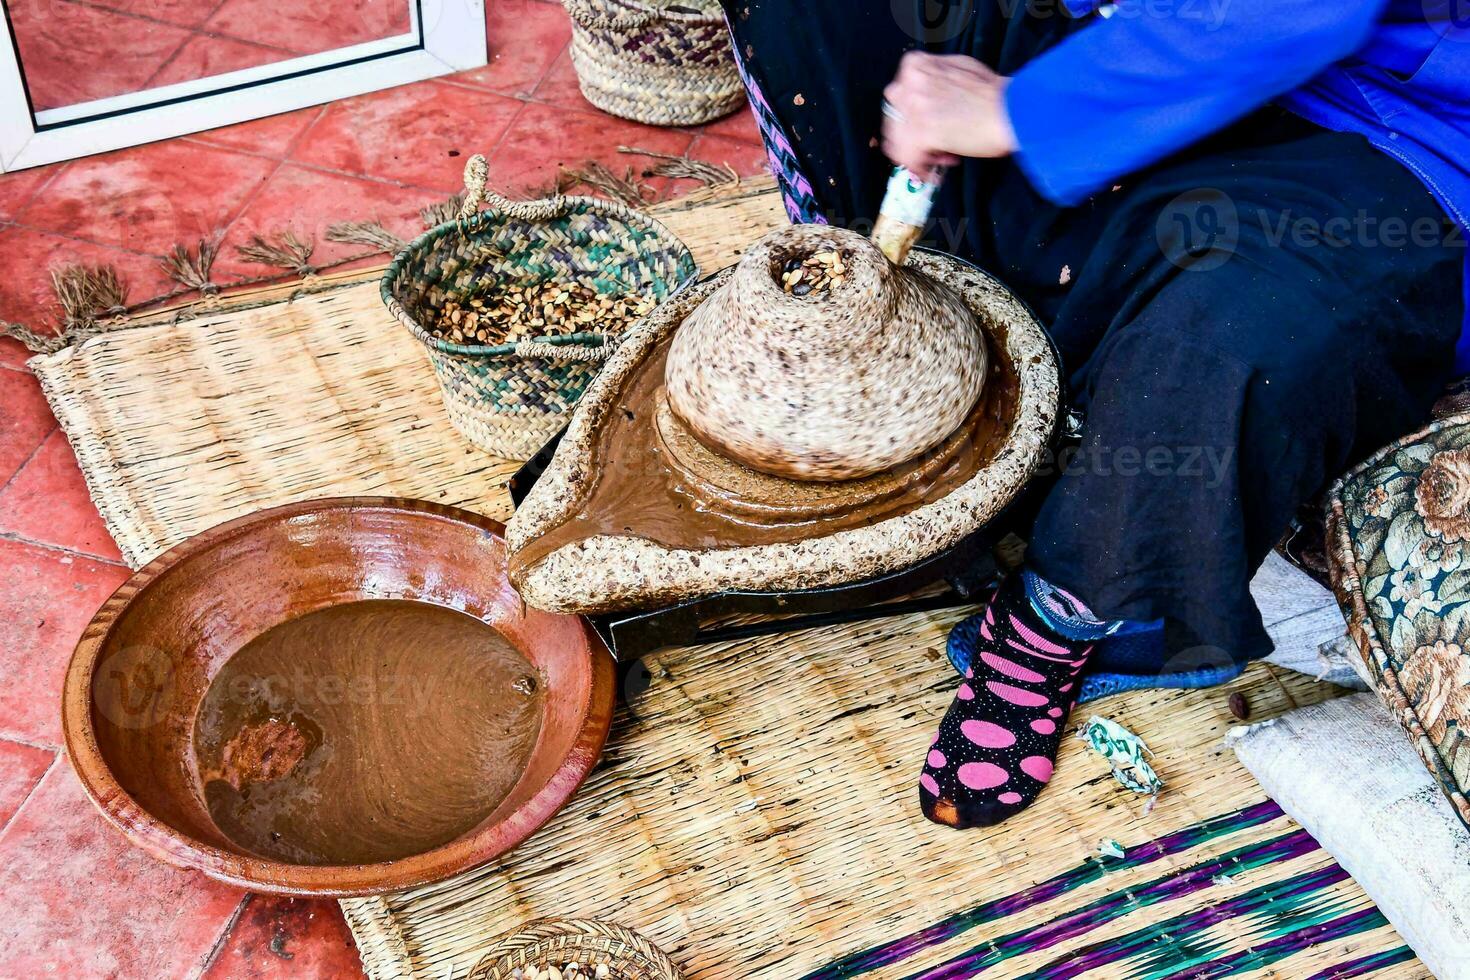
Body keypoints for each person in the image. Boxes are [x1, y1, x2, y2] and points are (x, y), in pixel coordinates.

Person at [721, 0, 1470, 828]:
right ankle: (872, 307)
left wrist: (1020, 110)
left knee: (1225, 341)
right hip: (1134, 25)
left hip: (1395, 125)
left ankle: (1065, 611)